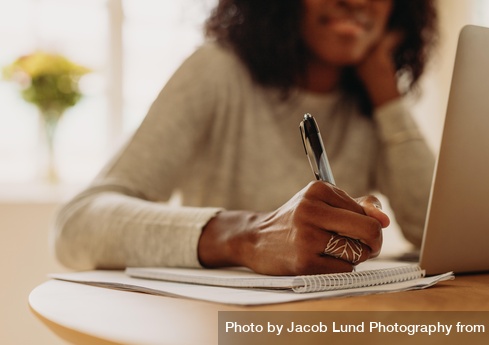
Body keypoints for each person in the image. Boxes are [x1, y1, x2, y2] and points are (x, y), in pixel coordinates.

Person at [52, 0, 437, 276]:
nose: (356, 2)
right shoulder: (216, 72)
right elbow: (77, 227)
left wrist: (387, 95)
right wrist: (246, 235)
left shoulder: (374, 103)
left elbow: (438, 236)